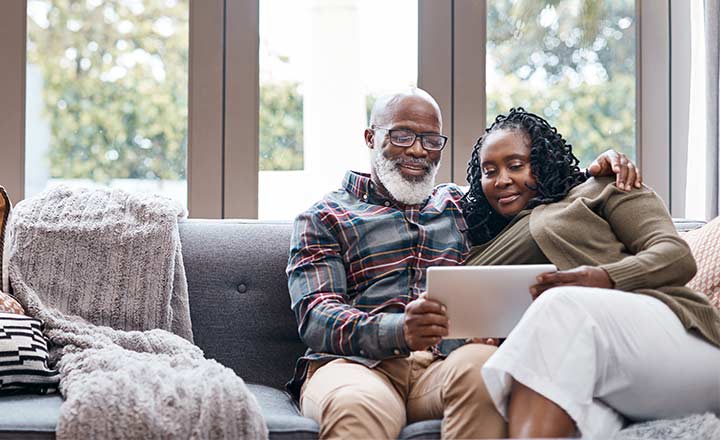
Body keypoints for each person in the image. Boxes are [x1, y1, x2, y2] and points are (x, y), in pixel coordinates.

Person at [286, 89, 641, 439]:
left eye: (430, 139)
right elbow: (317, 316)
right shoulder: (324, 216)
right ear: (370, 137)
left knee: (486, 371)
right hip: (357, 366)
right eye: (402, 135)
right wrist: (399, 330)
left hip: (444, 365)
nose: (417, 149)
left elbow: (540, 195)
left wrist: (600, 171)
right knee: (357, 405)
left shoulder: (462, 205)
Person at [461, 107, 720, 439]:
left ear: (543, 160)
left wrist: (605, 278)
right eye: (489, 171)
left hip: (679, 342)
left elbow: (675, 256)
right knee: (518, 375)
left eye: (516, 165)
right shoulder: (482, 243)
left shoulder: (602, 186)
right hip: (596, 373)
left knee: (560, 304)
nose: (502, 180)